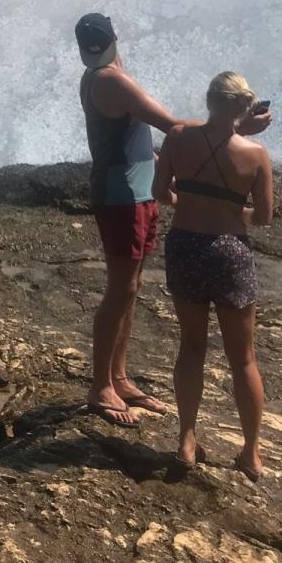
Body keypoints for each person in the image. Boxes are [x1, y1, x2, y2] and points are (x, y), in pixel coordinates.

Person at [152, 72, 273, 479]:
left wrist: (185, 201)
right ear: (245, 108)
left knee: (191, 348)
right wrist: (232, 210)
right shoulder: (256, 154)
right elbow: (264, 217)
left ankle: (187, 442)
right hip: (230, 251)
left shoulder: (177, 138)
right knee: (243, 358)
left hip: (185, 245)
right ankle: (251, 453)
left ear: (208, 100)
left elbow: (160, 192)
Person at [75, 12, 182, 426]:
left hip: (137, 191)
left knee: (130, 287)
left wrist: (159, 174)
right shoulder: (108, 80)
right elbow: (173, 127)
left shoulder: (101, 75)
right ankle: (100, 385)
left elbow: (130, 137)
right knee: (120, 289)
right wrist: (235, 127)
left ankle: (118, 377)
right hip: (120, 196)